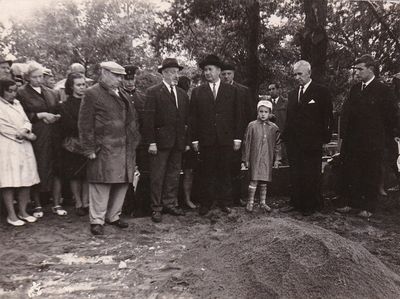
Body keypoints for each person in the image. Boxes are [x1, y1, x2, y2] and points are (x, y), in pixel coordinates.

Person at [78, 61, 140, 235]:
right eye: (116, 75)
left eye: (121, 76)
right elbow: (84, 123)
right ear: (104, 73)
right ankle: (97, 220)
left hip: (124, 147)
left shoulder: (122, 93)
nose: (120, 79)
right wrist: (88, 148)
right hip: (103, 147)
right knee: (101, 182)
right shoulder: (92, 93)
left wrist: (134, 141)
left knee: (121, 183)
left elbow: (132, 120)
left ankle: (113, 215)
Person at [337, 55, 398, 218]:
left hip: (373, 142)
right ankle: (353, 203)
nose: (356, 73)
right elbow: (347, 114)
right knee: (353, 171)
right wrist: (345, 136)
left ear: (371, 69)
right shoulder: (355, 89)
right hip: (354, 141)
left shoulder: (383, 90)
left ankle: (368, 207)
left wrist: (385, 138)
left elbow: (391, 117)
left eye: (360, 69)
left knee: (370, 173)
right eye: (355, 69)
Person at [190, 54, 244, 216]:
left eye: (210, 69)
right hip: (206, 140)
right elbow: (193, 117)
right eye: (205, 70)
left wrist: (237, 138)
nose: (207, 73)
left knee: (225, 171)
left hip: (226, 139)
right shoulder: (198, 92)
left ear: (219, 70)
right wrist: (194, 139)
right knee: (207, 172)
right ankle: (206, 203)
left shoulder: (232, 91)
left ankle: (225, 202)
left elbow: (238, 115)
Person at [282, 60, 333, 216]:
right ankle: (295, 202)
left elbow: (327, 117)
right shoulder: (292, 94)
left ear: (309, 73)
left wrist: (324, 139)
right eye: (295, 74)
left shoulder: (321, 92)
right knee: (295, 173)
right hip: (294, 143)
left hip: (312, 142)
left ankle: (311, 205)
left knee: (311, 173)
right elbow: (290, 118)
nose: (297, 77)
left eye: (300, 74)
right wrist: (286, 138)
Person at [17, 62, 66, 218]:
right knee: (38, 167)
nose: (38, 80)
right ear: (27, 77)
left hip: (53, 134)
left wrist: (56, 116)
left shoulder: (51, 92)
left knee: (57, 167)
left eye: (40, 76)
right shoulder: (21, 93)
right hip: (37, 136)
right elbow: (20, 115)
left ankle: (56, 203)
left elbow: (57, 110)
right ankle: (37, 204)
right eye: (35, 77)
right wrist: (40, 115)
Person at [143, 58, 189, 223]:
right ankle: (156, 207)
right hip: (160, 142)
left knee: (173, 174)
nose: (175, 75)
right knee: (158, 175)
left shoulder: (183, 94)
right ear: (163, 73)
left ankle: (170, 203)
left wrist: (185, 141)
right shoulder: (153, 92)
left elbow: (185, 120)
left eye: (177, 72)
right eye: (171, 72)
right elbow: (148, 120)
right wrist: (151, 142)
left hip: (177, 142)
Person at [0, 79, 40, 226]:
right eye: (9, 91)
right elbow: (4, 127)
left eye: (14, 90)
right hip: (7, 146)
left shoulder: (17, 104)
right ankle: (11, 215)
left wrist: (25, 131)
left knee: (26, 179)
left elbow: (26, 121)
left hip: (24, 146)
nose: (12, 94)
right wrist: (26, 135)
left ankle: (23, 211)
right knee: (9, 181)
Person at [242, 100, 281, 212]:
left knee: (264, 180)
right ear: (257, 112)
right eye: (261, 111)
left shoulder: (274, 128)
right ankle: (250, 202)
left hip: (267, 157)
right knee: (254, 179)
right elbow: (247, 142)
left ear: (270, 113)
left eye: (266, 112)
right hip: (254, 157)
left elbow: (277, 144)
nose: (263, 114)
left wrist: (277, 159)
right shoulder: (252, 126)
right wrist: (245, 159)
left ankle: (262, 202)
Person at [58, 72, 89, 216]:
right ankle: (78, 202)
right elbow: (69, 125)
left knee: (88, 173)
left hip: (89, 142)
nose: (82, 87)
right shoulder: (65, 105)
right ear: (71, 87)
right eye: (78, 85)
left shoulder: (89, 102)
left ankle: (86, 201)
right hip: (73, 144)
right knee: (75, 174)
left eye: (83, 84)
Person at [268, 82, 288, 165]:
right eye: (269, 90)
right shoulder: (266, 103)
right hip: (270, 136)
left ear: (278, 90)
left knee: (284, 160)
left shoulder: (286, 102)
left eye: (273, 89)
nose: (271, 91)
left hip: (283, 136)